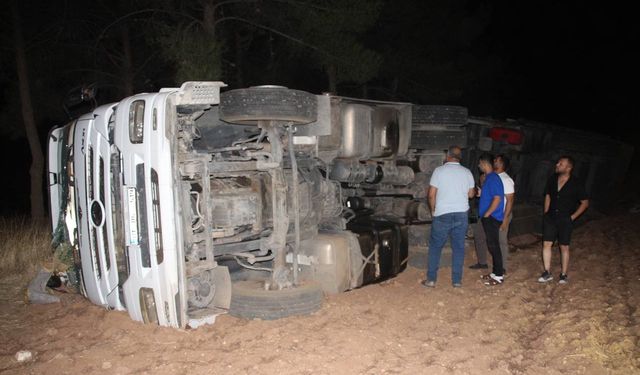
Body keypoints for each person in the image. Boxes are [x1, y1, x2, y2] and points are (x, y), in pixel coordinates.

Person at [423, 146, 475, 288]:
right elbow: (471, 194)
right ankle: (457, 281)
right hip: (461, 215)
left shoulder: (439, 171)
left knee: (435, 247)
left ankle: (431, 280)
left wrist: (433, 211)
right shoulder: (467, 172)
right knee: (458, 248)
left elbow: (431, 194)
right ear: (460, 158)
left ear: (447, 156)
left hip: (442, 214)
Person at [538, 156, 589, 284]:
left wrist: (572, 217)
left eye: (561, 164)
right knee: (546, 244)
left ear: (569, 167)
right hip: (550, 217)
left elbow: (585, 202)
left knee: (564, 246)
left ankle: (563, 274)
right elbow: (548, 195)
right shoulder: (552, 179)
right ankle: (547, 272)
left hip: (565, 219)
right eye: (558, 162)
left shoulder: (576, 183)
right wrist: (546, 212)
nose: (557, 164)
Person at [477, 153, 505, 286]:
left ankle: (499, 276)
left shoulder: (493, 178)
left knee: (494, 246)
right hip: (489, 217)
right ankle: (495, 272)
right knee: (492, 245)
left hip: (492, 218)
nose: (478, 165)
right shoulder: (489, 178)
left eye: (480, 163)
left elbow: (497, 198)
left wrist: (488, 213)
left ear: (484, 163)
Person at [494, 154, 515, 273]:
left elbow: (510, 200)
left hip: (503, 214)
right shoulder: (495, 177)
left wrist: (505, 218)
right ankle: (498, 265)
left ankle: (503, 267)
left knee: (501, 241)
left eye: (496, 160)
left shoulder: (506, 180)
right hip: (495, 214)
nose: (494, 162)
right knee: (496, 241)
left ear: (501, 164)